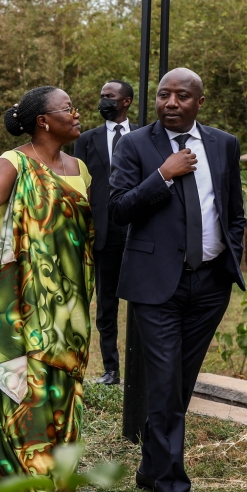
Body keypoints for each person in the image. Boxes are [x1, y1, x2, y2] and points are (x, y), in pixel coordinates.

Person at [110, 68, 245, 492]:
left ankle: (150, 466)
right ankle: (172, 490)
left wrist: (232, 255)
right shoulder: (134, 145)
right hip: (155, 285)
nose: (170, 102)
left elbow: (234, 210)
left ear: (199, 102)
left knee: (180, 385)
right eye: (163, 94)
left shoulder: (224, 144)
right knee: (165, 385)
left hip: (210, 285)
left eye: (181, 95)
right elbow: (118, 208)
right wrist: (164, 176)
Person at [0, 86, 93, 492]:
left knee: (63, 386)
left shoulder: (82, 168)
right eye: (68, 108)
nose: (76, 113)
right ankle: (36, 480)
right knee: (26, 382)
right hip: (21, 297)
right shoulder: (13, 161)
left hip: (71, 302)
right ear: (43, 121)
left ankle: (58, 473)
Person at [73, 80, 137, 385]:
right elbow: (79, 185)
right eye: (101, 97)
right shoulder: (86, 139)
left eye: (109, 97)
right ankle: (111, 369)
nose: (103, 102)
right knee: (107, 304)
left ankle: (142, 365)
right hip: (103, 231)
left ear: (125, 101)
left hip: (138, 228)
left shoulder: (144, 135)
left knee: (142, 302)